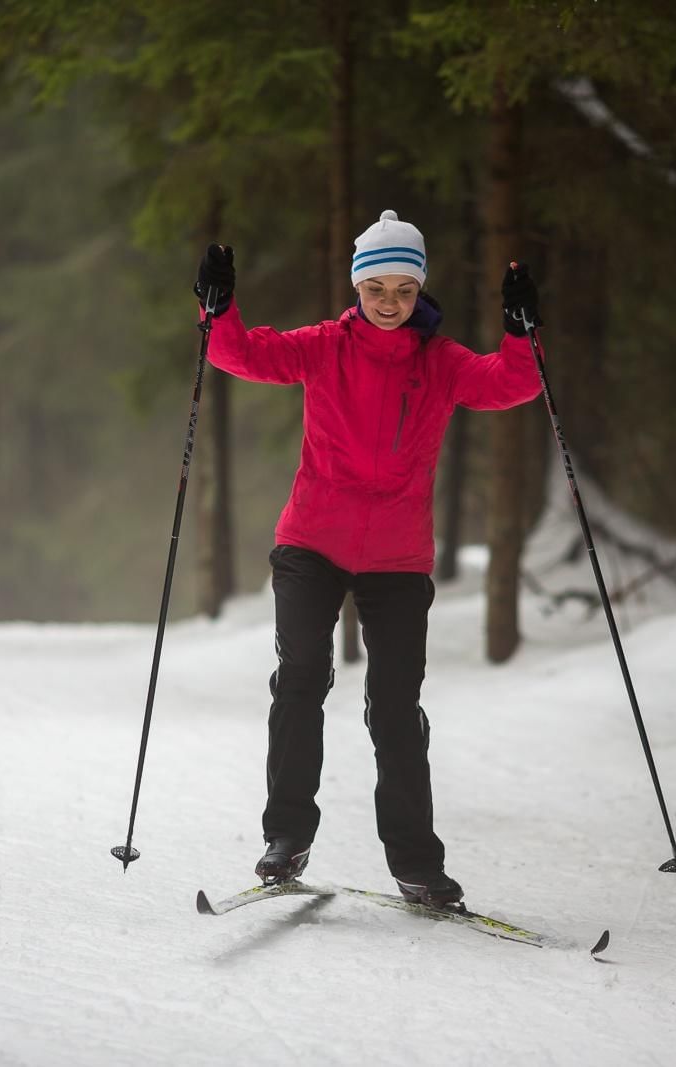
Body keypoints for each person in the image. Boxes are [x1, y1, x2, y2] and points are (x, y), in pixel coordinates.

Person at [194, 209, 543, 907]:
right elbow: (240, 356)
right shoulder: (325, 346)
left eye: (403, 290)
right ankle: (286, 837)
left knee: (393, 705)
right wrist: (219, 310)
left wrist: (520, 331)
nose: (389, 302)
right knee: (301, 676)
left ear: (419, 292)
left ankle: (416, 863)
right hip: (311, 540)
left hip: (396, 555)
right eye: (376, 288)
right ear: (357, 288)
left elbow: (513, 383)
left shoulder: (439, 363)